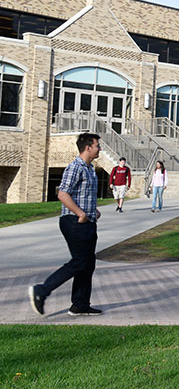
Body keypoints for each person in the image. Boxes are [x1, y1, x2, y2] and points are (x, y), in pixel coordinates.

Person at [28, 133, 104, 316]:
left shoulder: (90, 168)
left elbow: (82, 195)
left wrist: (93, 211)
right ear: (88, 147)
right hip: (74, 222)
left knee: (88, 263)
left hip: (87, 221)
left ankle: (80, 305)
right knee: (80, 261)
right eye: (97, 146)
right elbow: (63, 194)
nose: (99, 149)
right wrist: (80, 214)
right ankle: (41, 291)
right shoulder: (75, 167)